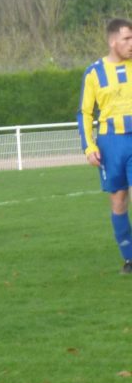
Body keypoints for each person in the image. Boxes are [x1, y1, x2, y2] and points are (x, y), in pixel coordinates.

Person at [79, 17, 132, 273]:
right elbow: (84, 112)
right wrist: (89, 147)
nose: (131, 44)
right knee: (119, 201)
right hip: (111, 144)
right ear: (113, 42)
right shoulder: (94, 72)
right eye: (127, 39)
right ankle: (129, 257)